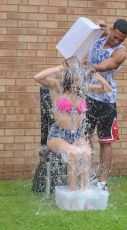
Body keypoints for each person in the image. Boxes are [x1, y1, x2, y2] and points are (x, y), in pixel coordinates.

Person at [34, 57, 112, 192]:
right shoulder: (58, 86)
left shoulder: (83, 88)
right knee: (73, 153)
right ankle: (72, 193)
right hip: (58, 135)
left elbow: (107, 89)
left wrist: (94, 73)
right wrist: (60, 68)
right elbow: (38, 77)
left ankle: (85, 192)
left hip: (77, 135)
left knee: (87, 153)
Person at [85, 18, 127, 191]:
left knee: (105, 141)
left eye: (121, 40)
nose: (117, 41)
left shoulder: (120, 52)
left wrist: (90, 67)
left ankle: (102, 182)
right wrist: (98, 25)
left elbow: (107, 65)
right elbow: (98, 25)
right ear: (112, 30)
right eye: (116, 37)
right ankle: (86, 174)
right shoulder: (101, 36)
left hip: (106, 101)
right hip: (87, 95)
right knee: (84, 137)